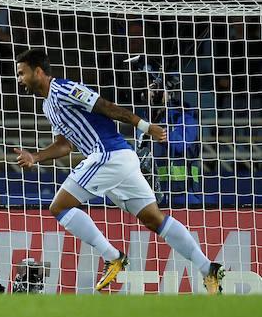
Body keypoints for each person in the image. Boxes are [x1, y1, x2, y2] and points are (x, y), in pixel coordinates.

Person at [12, 48, 225, 294]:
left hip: (107, 155)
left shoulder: (65, 89)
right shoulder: (47, 106)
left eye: (22, 73)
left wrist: (146, 127)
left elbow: (106, 106)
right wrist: (35, 156)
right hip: (119, 160)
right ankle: (207, 268)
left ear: (38, 71)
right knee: (154, 218)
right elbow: (64, 145)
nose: (19, 79)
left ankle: (112, 256)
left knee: (58, 207)